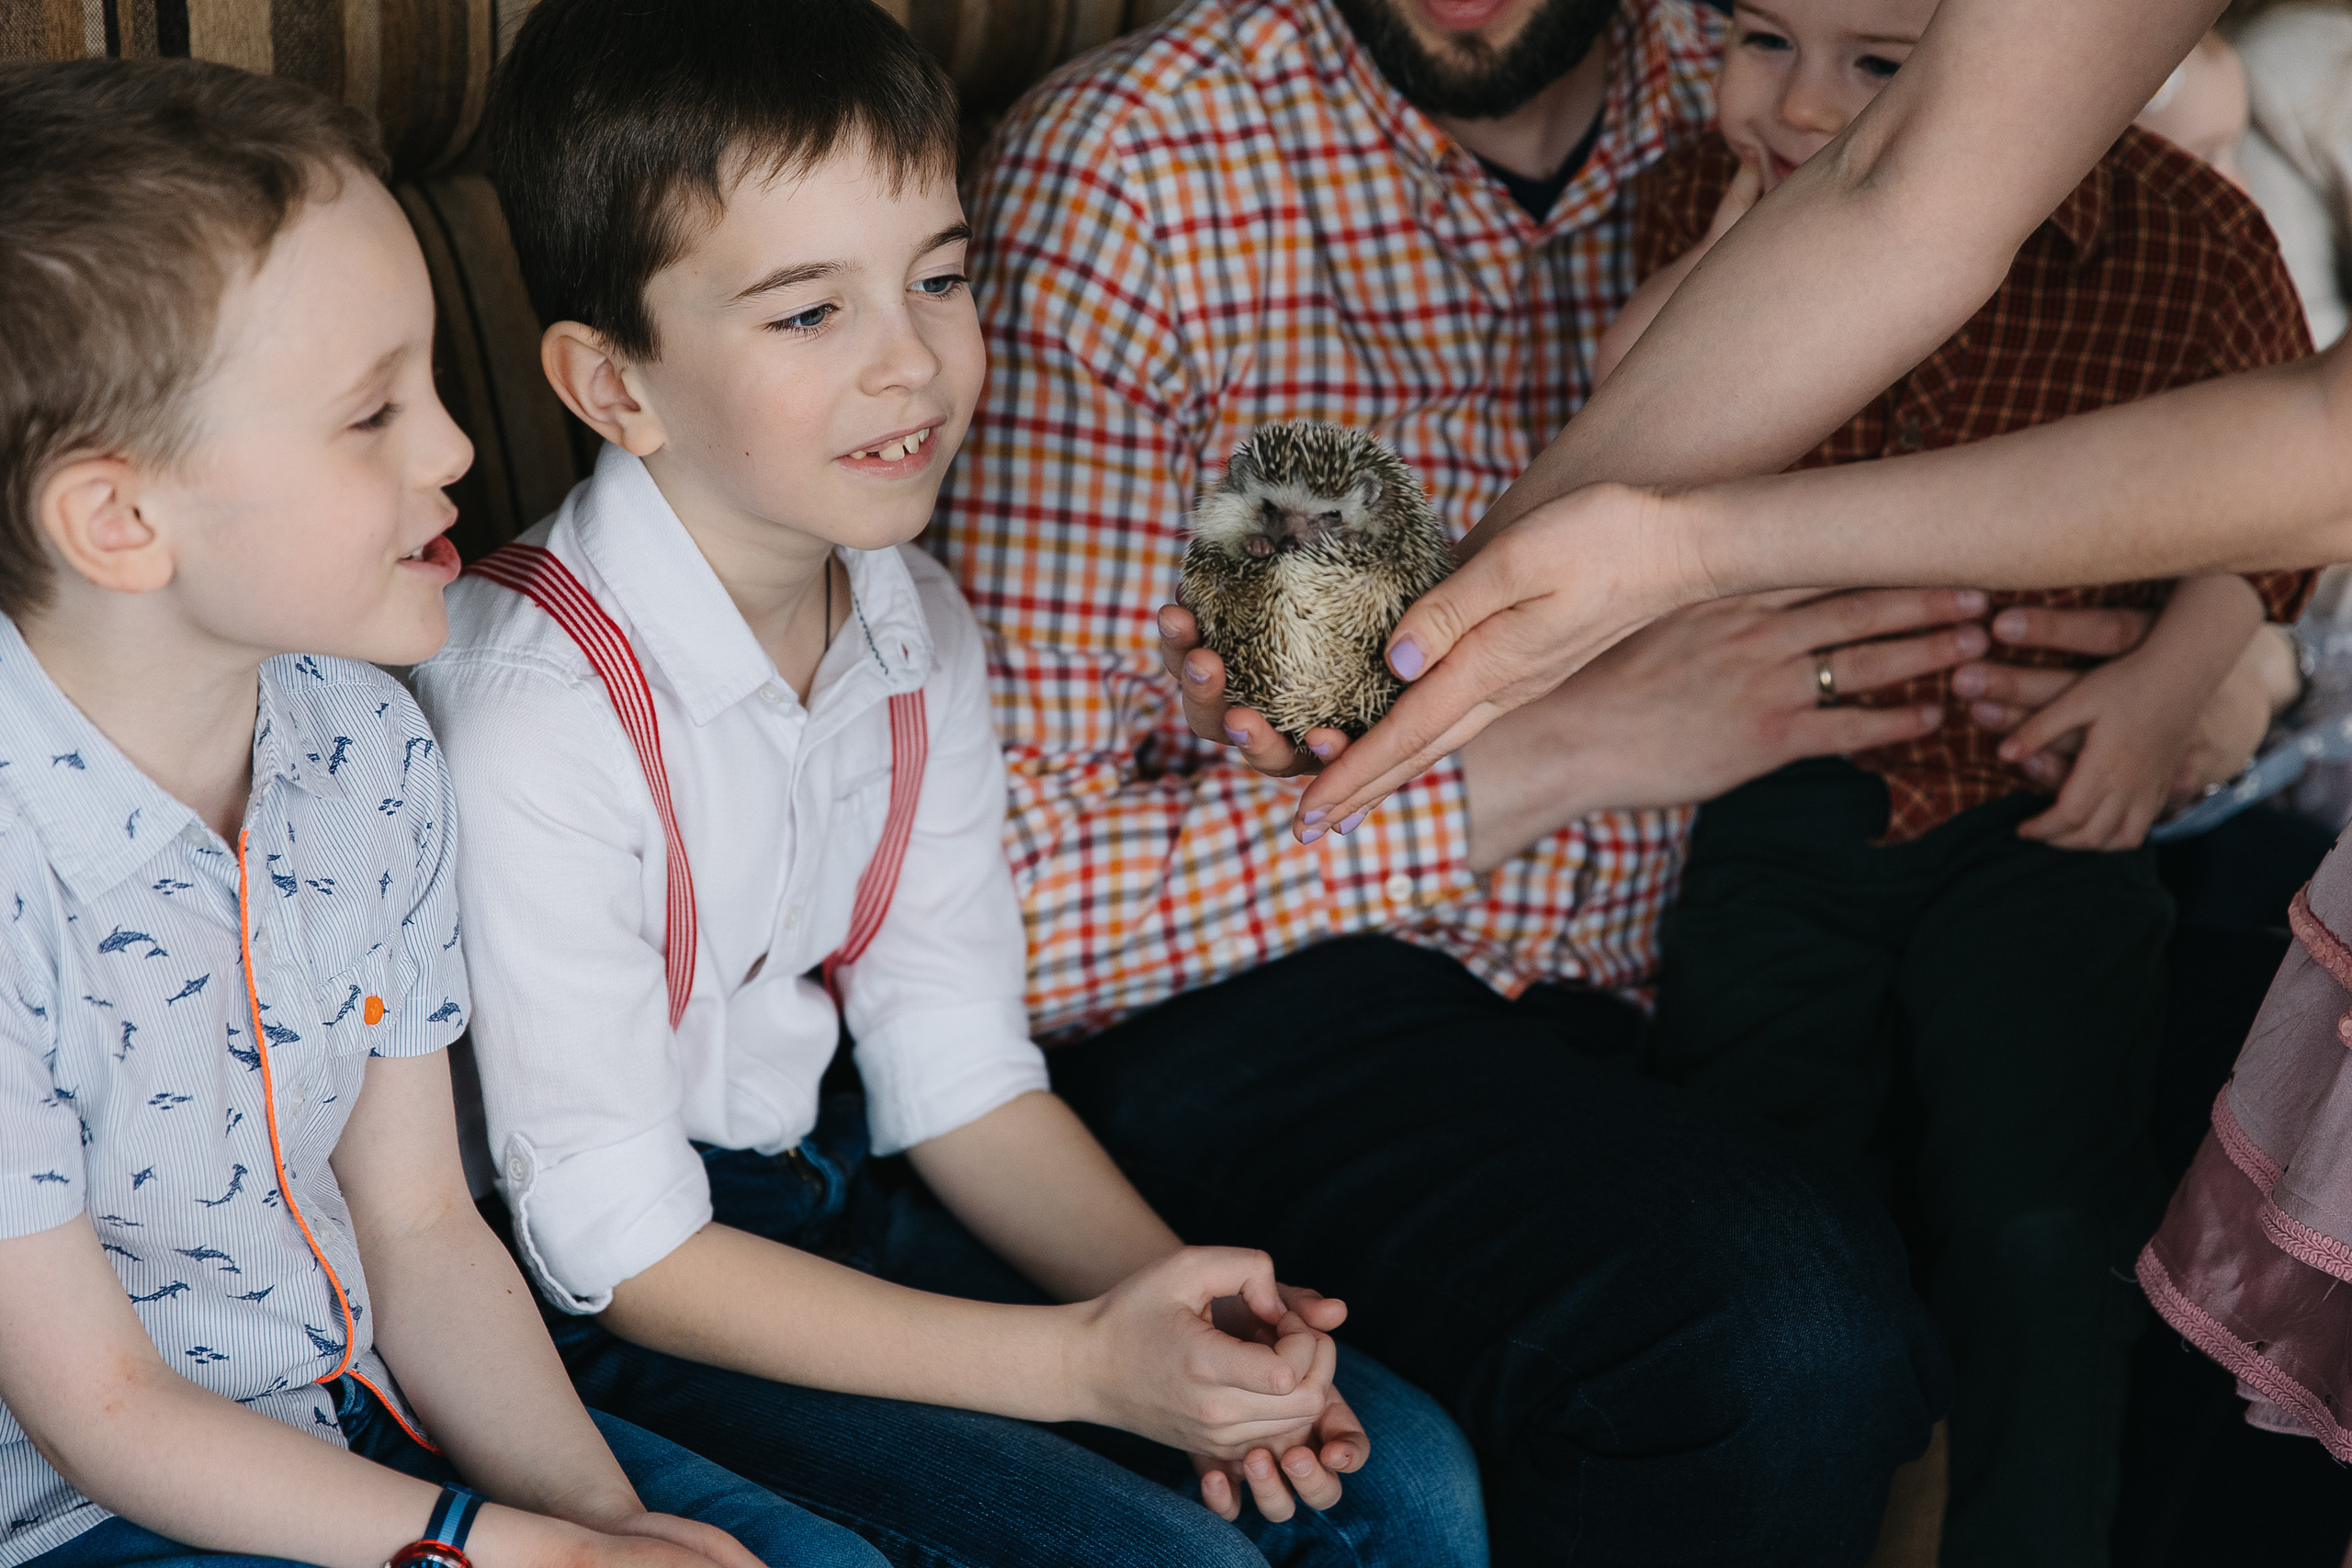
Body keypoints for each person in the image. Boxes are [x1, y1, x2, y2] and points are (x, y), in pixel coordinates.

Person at [414, 4, 1488, 1566]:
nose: (912, 359)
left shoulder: (916, 614)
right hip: (613, 1303)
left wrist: (1182, 1303)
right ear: (613, 386)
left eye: (938, 275)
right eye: (807, 315)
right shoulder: (535, 713)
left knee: (1409, 1482)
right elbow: (622, 1250)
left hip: (833, 1179)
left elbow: (955, 1057)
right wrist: (1079, 1364)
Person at [934, 0, 1987, 1562]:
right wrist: (1576, 746)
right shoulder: (1135, 173)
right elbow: (998, 910)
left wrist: (2218, 632)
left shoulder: (1795, 60)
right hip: (1272, 992)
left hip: (1734, 924)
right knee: (1766, 1318)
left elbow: (2129, 186)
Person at [0, 58, 883, 1568]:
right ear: (120, 521)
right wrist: (526, 1555)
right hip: (87, 1514)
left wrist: (613, 1528)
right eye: (371, 416)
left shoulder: (363, 740)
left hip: (365, 1409)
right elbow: (107, 1407)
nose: (457, 448)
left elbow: (416, 1227)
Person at [1596, 0, 2313, 1559]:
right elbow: (1627, 435)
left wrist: (2169, 686)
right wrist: (1727, 260)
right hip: (1779, 791)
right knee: (1773, 1188)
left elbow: (2284, 507)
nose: (1798, 105)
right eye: (1762, 40)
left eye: (1877, 63)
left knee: (2049, 1230)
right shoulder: (1690, 207)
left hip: (2045, 803)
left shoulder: (2187, 232)